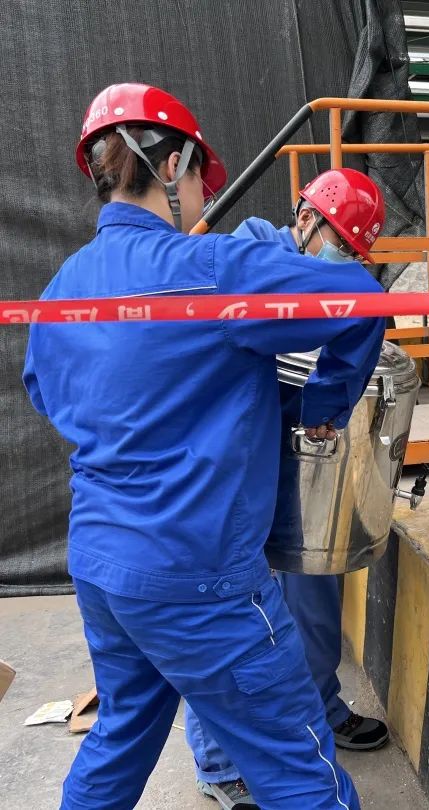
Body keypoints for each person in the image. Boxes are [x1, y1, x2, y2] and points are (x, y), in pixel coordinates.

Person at [22, 82, 386, 809]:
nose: (200, 195)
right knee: (299, 768)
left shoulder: (63, 287)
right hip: (198, 573)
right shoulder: (212, 270)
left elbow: (43, 388)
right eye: (198, 179)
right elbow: (361, 299)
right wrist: (318, 405)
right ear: (173, 165)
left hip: (101, 563)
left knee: (120, 736)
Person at [186, 168, 389, 809]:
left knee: (313, 582)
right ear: (305, 219)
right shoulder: (246, 255)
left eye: (355, 253)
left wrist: (325, 406)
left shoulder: (326, 279)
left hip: (290, 455)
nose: (345, 260)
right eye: (340, 243)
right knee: (224, 621)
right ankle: (220, 765)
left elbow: (363, 312)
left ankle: (320, 702)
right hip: (230, 463)